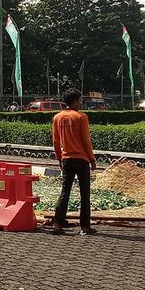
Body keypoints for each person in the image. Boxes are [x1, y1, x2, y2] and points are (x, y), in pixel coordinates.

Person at [52, 89, 97, 236]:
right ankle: (85, 226)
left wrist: (59, 158)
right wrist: (91, 159)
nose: (81, 103)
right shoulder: (81, 117)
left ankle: (57, 224)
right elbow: (86, 140)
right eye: (80, 100)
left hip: (66, 159)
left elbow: (56, 141)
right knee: (85, 193)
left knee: (65, 191)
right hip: (81, 159)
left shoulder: (57, 118)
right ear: (75, 100)